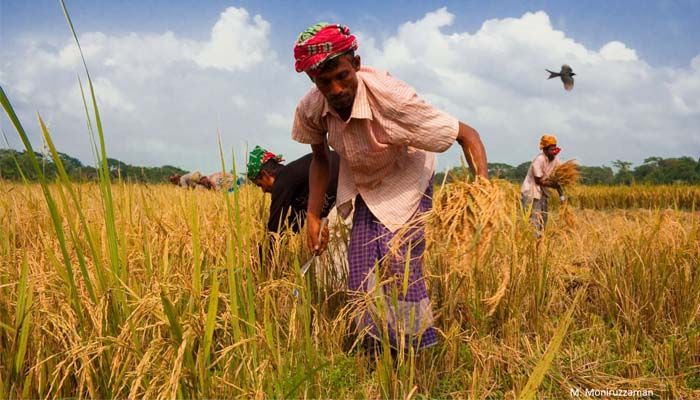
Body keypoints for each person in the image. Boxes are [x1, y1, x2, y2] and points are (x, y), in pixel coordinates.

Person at [291, 23, 488, 353]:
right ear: (313, 81)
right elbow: (321, 160)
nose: (336, 88)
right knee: (362, 266)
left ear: (355, 64)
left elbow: (467, 134)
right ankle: (374, 346)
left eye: (342, 75)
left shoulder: (393, 98)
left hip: (406, 176)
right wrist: (313, 215)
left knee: (400, 266)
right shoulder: (312, 108)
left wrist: (483, 188)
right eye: (325, 82)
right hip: (364, 181)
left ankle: (413, 351)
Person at [246, 145, 340, 234]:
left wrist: (264, 249)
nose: (263, 190)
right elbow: (296, 223)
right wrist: (286, 241)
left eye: (260, 185)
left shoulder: (281, 182)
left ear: (265, 174)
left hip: (343, 182)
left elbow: (274, 228)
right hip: (344, 178)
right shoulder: (293, 183)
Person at [520, 134, 564, 235]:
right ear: (545, 150)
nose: (554, 152)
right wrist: (554, 186)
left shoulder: (556, 160)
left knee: (544, 219)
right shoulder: (539, 160)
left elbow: (559, 178)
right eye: (551, 150)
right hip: (531, 193)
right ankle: (531, 243)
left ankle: (540, 243)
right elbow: (539, 181)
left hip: (542, 193)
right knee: (534, 221)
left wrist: (562, 196)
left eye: (555, 149)